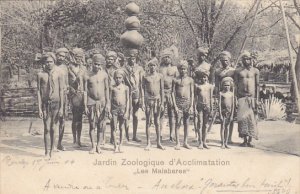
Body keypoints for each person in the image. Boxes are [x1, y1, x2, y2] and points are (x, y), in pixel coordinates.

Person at [37, 52, 64, 158]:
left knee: (54, 127)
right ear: (44, 62)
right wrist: (39, 108)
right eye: (47, 62)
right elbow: (39, 91)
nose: (49, 64)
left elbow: (61, 90)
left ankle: (53, 150)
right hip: (45, 105)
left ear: (54, 62)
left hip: (56, 104)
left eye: (51, 62)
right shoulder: (40, 74)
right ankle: (46, 152)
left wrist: (62, 107)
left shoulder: (59, 73)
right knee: (47, 128)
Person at [84, 54, 110, 154]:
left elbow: (107, 89)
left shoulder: (104, 75)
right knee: (92, 125)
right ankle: (93, 145)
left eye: (99, 64)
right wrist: (85, 105)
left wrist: (108, 104)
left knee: (101, 125)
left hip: (102, 103)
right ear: (92, 63)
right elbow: (85, 91)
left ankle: (99, 146)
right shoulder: (87, 75)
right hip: (91, 102)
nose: (97, 66)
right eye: (95, 64)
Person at [234, 51, 259, 147]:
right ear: (242, 60)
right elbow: (235, 86)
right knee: (242, 119)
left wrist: (257, 99)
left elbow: (257, 86)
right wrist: (236, 98)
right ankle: (244, 140)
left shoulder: (255, 71)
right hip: (241, 97)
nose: (246, 60)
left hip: (252, 98)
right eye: (244, 59)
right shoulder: (238, 71)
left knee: (252, 119)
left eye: (248, 58)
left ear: (251, 59)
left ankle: (250, 140)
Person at [141, 59, 165, 151]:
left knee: (157, 122)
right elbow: (142, 89)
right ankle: (148, 143)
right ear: (148, 67)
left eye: (154, 65)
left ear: (156, 66)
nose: (152, 67)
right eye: (150, 65)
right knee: (148, 122)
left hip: (157, 100)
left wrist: (162, 103)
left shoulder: (160, 76)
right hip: (148, 100)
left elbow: (162, 90)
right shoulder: (145, 77)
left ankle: (158, 142)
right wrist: (143, 102)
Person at [122, 49, 144, 142]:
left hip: (137, 93)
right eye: (130, 58)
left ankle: (134, 135)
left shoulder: (139, 69)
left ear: (136, 59)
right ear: (127, 59)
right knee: (126, 114)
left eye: (134, 58)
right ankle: (126, 135)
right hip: (127, 93)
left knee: (135, 115)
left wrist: (142, 97)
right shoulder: (124, 69)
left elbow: (141, 84)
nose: (132, 60)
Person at [172, 60, 194, 150]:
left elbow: (192, 93)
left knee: (186, 123)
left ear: (187, 69)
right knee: (178, 123)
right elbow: (172, 93)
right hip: (178, 102)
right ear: (178, 69)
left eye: (184, 69)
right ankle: (177, 143)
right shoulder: (175, 80)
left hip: (187, 103)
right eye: (181, 69)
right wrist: (175, 106)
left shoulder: (190, 80)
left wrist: (191, 105)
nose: (183, 70)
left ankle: (185, 142)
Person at [214, 51, 236, 143]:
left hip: (231, 95)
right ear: (220, 61)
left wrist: (235, 96)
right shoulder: (217, 71)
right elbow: (216, 85)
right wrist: (216, 97)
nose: (224, 62)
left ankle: (229, 138)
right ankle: (223, 138)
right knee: (222, 117)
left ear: (229, 60)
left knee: (231, 117)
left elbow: (235, 85)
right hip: (221, 95)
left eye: (226, 60)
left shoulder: (233, 71)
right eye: (222, 60)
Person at [68, 48, 87, 148]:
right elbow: (66, 82)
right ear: (73, 57)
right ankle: (74, 139)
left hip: (82, 95)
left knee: (80, 118)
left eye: (80, 57)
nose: (79, 59)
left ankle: (79, 140)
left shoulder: (83, 68)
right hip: (73, 95)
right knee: (75, 118)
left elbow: (86, 82)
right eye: (77, 57)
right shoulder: (68, 68)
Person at [159, 49, 178, 142]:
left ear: (171, 58)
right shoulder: (160, 69)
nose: (167, 59)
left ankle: (171, 134)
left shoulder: (175, 69)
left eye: (168, 57)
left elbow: (177, 82)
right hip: (162, 93)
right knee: (161, 114)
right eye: (165, 57)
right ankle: (160, 134)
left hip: (171, 92)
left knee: (172, 114)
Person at [110, 69, 129, 153]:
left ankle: (121, 144)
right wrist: (110, 111)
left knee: (122, 127)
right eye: (116, 78)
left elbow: (128, 100)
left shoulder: (126, 88)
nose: (118, 79)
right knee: (114, 127)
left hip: (123, 109)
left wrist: (127, 111)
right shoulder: (112, 88)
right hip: (114, 109)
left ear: (123, 78)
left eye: (120, 77)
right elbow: (109, 100)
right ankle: (115, 145)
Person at [194, 70, 214, 149]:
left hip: (207, 106)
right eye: (202, 77)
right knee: (200, 123)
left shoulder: (210, 86)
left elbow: (211, 97)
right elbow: (196, 98)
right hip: (200, 106)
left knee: (205, 125)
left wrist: (211, 109)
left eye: (205, 77)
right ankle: (200, 142)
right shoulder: (198, 86)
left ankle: (204, 141)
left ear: (207, 77)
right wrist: (194, 108)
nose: (203, 79)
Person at [55, 47, 69, 151]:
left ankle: (60, 143)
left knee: (62, 120)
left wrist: (67, 89)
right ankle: (53, 143)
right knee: (54, 120)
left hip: (64, 96)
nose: (61, 58)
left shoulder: (65, 67)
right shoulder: (52, 66)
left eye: (63, 56)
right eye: (59, 55)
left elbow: (67, 82)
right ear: (56, 55)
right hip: (55, 95)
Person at [105, 51, 119, 144]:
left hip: (114, 93)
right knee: (103, 116)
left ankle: (112, 137)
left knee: (114, 116)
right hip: (104, 93)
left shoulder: (117, 70)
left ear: (114, 60)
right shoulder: (102, 69)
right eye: (108, 59)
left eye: (112, 59)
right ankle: (102, 138)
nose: (110, 61)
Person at [219, 77, 235, 149]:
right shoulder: (221, 93)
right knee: (222, 127)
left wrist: (232, 115)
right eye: (225, 85)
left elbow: (233, 105)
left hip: (229, 112)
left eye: (228, 85)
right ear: (222, 85)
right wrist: (220, 114)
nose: (227, 87)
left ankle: (226, 143)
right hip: (223, 112)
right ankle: (222, 143)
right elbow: (219, 104)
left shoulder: (231, 94)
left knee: (227, 128)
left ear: (230, 86)